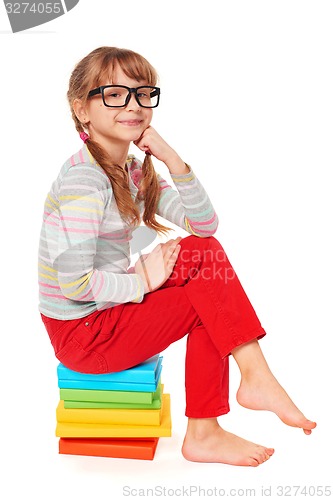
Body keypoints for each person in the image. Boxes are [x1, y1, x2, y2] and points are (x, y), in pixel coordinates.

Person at [38, 46, 316, 467]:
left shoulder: (132, 170)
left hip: (106, 312)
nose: (133, 105)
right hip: (85, 333)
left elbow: (204, 228)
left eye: (143, 93)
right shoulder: (83, 182)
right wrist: (142, 281)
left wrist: (171, 159)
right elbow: (72, 285)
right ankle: (209, 427)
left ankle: (253, 380)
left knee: (203, 254)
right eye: (114, 94)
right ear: (82, 109)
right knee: (210, 300)